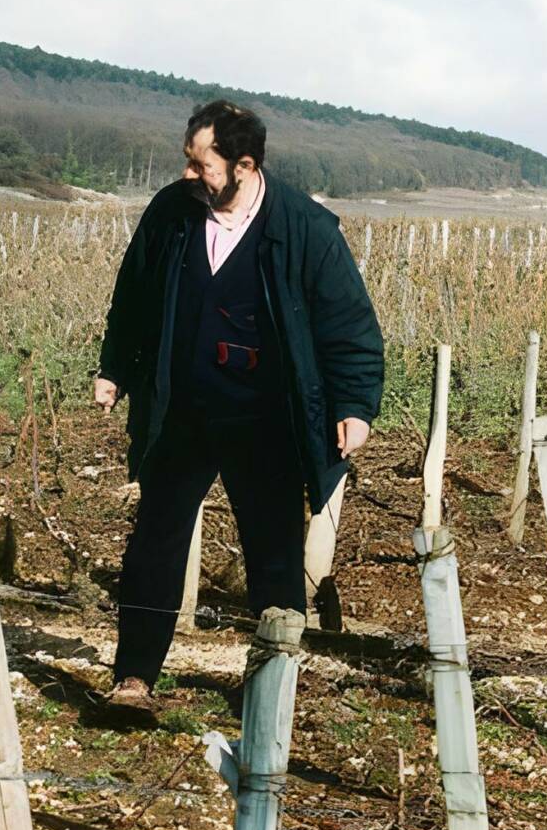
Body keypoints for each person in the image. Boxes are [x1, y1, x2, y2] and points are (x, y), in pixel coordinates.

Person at [93, 99, 383, 703]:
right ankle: (134, 677)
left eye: (202, 166)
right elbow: (135, 294)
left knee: (274, 552)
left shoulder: (306, 230)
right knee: (155, 543)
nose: (189, 176)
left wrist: (353, 405)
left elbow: (348, 326)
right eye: (188, 162)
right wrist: (115, 369)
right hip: (182, 410)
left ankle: (272, 686)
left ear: (245, 164)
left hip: (264, 419)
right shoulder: (171, 214)